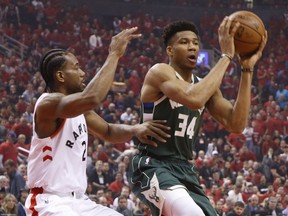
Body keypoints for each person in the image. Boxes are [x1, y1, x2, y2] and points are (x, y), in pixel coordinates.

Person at [25, 27, 170, 216]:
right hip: (49, 202)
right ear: (60, 76)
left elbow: (108, 131)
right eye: (76, 67)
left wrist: (136, 129)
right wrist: (114, 53)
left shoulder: (79, 111)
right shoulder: (47, 104)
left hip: (79, 201)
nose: (83, 72)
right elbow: (92, 97)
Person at [130, 18, 267, 216]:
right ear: (170, 50)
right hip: (152, 165)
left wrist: (247, 68)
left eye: (195, 42)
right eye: (184, 42)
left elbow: (236, 123)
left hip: (185, 170)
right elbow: (193, 98)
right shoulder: (159, 72)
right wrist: (227, 55)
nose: (192, 47)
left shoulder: (203, 85)